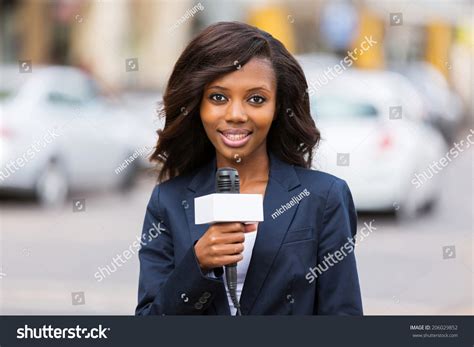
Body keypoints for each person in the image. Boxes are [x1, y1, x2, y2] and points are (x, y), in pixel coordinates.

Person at [135, 21, 363, 315]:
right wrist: (197, 265)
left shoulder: (324, 197)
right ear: (197, 105)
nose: (236, 115)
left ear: (278, 106)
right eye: (218, 97)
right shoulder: (167, 202)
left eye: (256, 99)